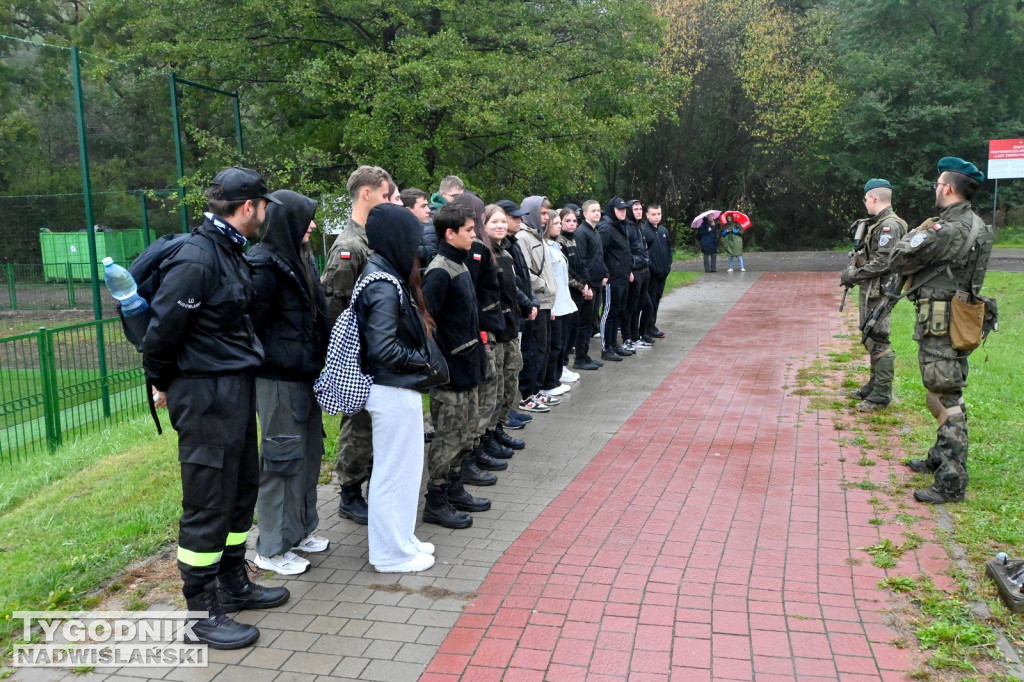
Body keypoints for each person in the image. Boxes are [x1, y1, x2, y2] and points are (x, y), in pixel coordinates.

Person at [144, 167, 288, 649]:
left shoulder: (228, 251)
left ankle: (233, 583)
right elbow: (162, 333)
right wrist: (162, 381)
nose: (265, 214)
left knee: (240, 487)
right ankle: (201, 611)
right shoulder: (199, 257)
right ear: (249, 207)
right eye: (264, 206)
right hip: (204, 395)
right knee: (208, 497)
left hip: (233, 388)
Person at [889, 157, 992, 505]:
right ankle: (939, 457)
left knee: (945, 398)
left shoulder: (945, 230)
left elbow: (899, 259)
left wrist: (920, 230)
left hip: (941, 323)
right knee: (948, 391)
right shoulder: (979, 225)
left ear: (948, 188)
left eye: (937, 183)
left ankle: (951, 481)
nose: (935, 188)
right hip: (961, 319)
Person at [356, 203, 443, 572]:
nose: (417, 246)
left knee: (407, 471)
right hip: (390, 390)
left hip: (398, 389)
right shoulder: (382, 284)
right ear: (396, 238)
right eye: (411, 237)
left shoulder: (387, 274)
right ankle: (389, 553)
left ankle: (402, 539)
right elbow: (382, 348)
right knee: (393, 474)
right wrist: (421, 362)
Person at [248, 190, 330, 576]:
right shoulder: (263, 266)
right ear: (288, 221)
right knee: (282, 461)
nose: (312, 224)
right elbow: (250, 325)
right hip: (278, 380)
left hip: (307, 375)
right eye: (307, 218)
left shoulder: (302, 258)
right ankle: (271, 547)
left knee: (309, 455)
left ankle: (300, 531)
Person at [321, 165, 393, 526]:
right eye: (383, 195)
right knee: (358, 422)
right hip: (356, 351)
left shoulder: (371, 239)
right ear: (366, 194)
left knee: (371, 422)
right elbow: (336, 310)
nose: (386, 202)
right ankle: (349, 493)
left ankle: (364, 485)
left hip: (375, 349)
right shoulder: (350, 247)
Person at [422, 202, 490, 528]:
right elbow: (428, 325)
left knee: (465, 434)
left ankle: (454, 487)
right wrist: (442, 365)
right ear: (450, 233)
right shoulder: (439, 270)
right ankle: (435, 500)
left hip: (468, 367)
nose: (474, 235)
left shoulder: (459, 265)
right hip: (450, 372)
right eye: (468, 230)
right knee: (448, 436)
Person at [453, 191, 511, 484]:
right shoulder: (467, 251)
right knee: (475, 401)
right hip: (473, 337)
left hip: (490, 330)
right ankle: (467, 459)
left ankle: (481, 444)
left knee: (490, 392)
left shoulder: (482, 247)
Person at [839, 179, 908, 411]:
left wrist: (854, 275)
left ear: (874, 198)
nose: (865, 203)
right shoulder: (878, 223)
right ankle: (873, 385)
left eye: (866, 199)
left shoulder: (890, 226)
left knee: (878, 338)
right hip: (872, 288)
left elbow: (884, 262)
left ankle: (881, 395)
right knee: (870, 335)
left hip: (882, 290)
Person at [484, 204, 531, 446]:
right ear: (483, 226)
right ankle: (488, 435)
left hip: (511, 326)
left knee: (510, 381)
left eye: (503, 222)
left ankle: (499, 428)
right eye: (495, 222)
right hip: (496, 331)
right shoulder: (482, 254)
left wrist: (526, 304)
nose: (501, 226)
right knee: (496, 386)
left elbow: (514, 288)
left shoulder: (506, 252)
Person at [495, 199, 540, 424]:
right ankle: (503, 415)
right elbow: (510, 285)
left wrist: (531, 301)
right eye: (513, 217)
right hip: (506, 315)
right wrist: (526, 303)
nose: (518, 221)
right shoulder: (500, 248)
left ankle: (507, 411)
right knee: (505, 369)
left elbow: (522, 278)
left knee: (513, 366)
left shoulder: (511, 244)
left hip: (517, 310)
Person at [516, 195, 558, 411]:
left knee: (543, 348)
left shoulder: (538, 237)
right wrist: (543, 286)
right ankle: (527, 393)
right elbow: (525, 272)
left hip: (546, 301)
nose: (546, 218)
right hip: (536, 301)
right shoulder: (524, 238)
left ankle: (537, 389)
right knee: (533, 349)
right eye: (542, 213)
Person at [541, 211, 578, 398]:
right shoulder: (544, 247)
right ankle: (549, 382)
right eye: (555, 223)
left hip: (564, 302)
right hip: (554, 304)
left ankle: (556, 377)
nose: (559, 226)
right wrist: (551, 306)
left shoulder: (555, 245)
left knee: (562, 343)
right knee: (554, 345)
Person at [556, 207, 592, 375]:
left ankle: (572, 362)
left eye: (574, 221)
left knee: (578, 326)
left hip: (580, 290)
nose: (572, 224)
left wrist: (586, 284)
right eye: (567, 221)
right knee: (567, 330)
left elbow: (581, 263)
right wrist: (581, 286)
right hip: (570, 292)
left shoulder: (574, 240)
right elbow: (566, 272)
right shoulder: (560, 242)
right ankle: (561, 366)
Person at [598, 197, 634, 361]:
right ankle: (606, 348)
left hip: (623, 277)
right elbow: (601, 254)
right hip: (612, 279)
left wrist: (629, 270)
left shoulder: (622, 226)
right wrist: (606, 274)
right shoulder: (606, 228)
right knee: (609, 312)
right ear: (612, 210)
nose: (623, 212)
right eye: (619, 209)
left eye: (624, 209)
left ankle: (613, 344)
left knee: (618, 311)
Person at [574, 200, 607, 368]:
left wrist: (605, 273)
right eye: (593, 210)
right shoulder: (582, 233)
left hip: (598, 282)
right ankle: (579, 357)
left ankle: (585, 355)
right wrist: (586, 284)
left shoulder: (596, 231)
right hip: (589, 285)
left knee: (591, 320)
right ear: (585, 214)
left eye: (599, 210)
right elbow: (582, 260)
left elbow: (599, 255)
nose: (597, 213)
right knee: (584, 322)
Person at [625, 199, 653, 349]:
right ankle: (628, 337)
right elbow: (626, 252)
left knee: (643, 305)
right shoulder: (627, 228)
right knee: (632, 307)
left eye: (640, 209)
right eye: (635, 209)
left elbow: (644, 248)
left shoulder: (639, 227)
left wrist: (645, 259)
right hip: (635, 272)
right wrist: (635, 264)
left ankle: (637, 336)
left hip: (644, 271)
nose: (639, 211)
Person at [641, 204, 671, 339]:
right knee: (650, 300)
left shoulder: (664, 231)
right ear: (647, 215)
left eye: (658, 214)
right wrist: (650, 266)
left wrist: (668, 265)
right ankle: (646, 327)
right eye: (653, 214)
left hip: (663, 272)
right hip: (651, 274)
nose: (656, 217)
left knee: (657, 299)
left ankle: (652, 325)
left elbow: (669, 249)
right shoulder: (643, 231)